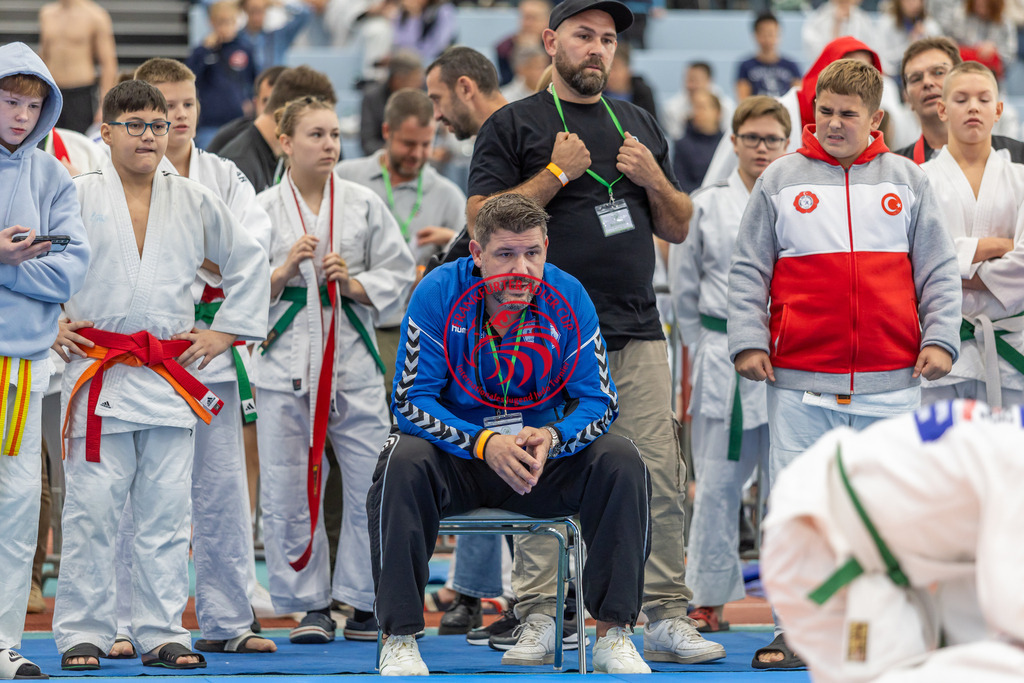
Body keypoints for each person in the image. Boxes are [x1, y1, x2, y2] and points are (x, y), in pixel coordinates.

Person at [467, 0, 725, 666]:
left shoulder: (637, 122)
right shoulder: (514, 123)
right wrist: (557, 174)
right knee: (535, 466)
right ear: (551, 41)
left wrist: (652, 178)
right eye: (584, 35)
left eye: (607, 40)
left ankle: (665, 613)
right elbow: (482, 222)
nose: (597, 49)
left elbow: (678, 224)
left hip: (636, 327)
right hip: (540, 336)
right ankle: (538, 615)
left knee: (658, 473)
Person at [727, 58, 962, 669]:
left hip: (892, 379)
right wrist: (748, 340)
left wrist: (941, 338)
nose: (833, 123)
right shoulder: (781, 178)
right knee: (799, 511)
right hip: (799, 381)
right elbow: (749, 269)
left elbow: (938, 270)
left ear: (875, 118)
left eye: (847, 114)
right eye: (824, 112)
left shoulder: (907, 179)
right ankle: (796, 630)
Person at [368, 192, 653, 675]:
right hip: (458, 461)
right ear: (477, 254)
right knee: (402, 458)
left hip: (537, 460)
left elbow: (599, 401)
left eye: (532, 253)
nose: (521, 269)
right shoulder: (438, 291)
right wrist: (483, 443)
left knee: (621, 459)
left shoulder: (569, 296)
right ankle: (399, 637)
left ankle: (613, 634)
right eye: (505, 254)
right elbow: (411, 401)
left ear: (546, 248)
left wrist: (554, 437)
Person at [51, 79, 269, 671]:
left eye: (157, 125)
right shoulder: (75, 194)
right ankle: (84, 632)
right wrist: (51, 324)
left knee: (167, 515)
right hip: (100, 371)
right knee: (93, 512)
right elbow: (36, 266)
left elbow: (249, 260)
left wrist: (226, 331)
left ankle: (162, 631)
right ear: (106, 131)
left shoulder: (193, 198)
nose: (148, 136)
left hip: (168, 376)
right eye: (134, 125)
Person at [112, 57, 275, 657]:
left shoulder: (224, 176)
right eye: (164, 107)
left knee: (222, 488)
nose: (176, 116)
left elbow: (251, 251)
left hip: (209, 357)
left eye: (186, 104)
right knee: (136, 493)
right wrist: (204, 257)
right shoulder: (115, 178)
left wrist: (226, 325)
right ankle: (125, 622)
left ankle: (228, 619)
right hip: (144, 356)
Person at [252, 96, 414, 645]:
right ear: (285, 142)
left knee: (373, 477)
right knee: (287, 483)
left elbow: (399, 270)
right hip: (283, 362)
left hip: (352, 359)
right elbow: (237, 285)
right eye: (316, 135)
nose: (329, 145)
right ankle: (311, 604)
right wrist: (283, 270)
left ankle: (365, 601)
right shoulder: (262, 208)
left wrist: (356, 282)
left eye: (335, 135)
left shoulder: (363, 203)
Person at [761, 399, 1024, 683]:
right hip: (816, 542)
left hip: (821, 519)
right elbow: (1013, 612)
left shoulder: (1006, 440)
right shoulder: (1013, 461)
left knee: (971, 644)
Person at [670, 95, 790, 636]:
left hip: (789, 359)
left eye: (773, 140)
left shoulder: (801, 198)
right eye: (753, 138)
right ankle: (706, 599)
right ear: (734, 142)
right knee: (718, 484)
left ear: (787, 144)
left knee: (786, 487)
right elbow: (684, 289)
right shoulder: (706, 204)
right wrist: (708, 348)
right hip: (723, 356)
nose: (762, 148)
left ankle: (793, 603)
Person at [0, 41, 90, 681]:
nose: (21, 116)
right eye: (10, 102)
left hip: (23, 366)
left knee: (15, 506)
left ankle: (3, 642)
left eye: (33, 106)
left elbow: (69, 269)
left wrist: (10, 267)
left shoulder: (53, 177)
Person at [336, 88, 465, 396]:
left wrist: (450, 243)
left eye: (426, 144)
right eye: (408, 143)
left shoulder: (447, 195)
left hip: (411, 324)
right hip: (347, 317)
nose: (418, 154)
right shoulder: (345, 178)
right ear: (386, 132)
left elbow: (470, 266)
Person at [919, 61, 1024, 409]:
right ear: (942, 109)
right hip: (939, 347)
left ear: (998, 110)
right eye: (961, 99)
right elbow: (914, 258)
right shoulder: (918, 179)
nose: (973, 107)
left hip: (1011, 353)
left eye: (983, 99)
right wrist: (996, 246)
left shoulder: (1021, 179)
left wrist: (948, 269)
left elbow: (933, 261)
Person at [893, 36, 1024, 163]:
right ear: (907, 97)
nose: (927, 82)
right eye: (915, 79)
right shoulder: (897, 168)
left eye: (938, 72)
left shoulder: (1017, 156)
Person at [219, 65, 337, 193]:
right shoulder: (240, 166)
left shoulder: (274, 154)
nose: (329, 145)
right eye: (317, 133)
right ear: (290, 111)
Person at [187, 1, 259, 150]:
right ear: (212, 23)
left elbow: (255, 80)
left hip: (238, 122)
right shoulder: (202, 50)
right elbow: (189, 79)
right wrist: (205, 50)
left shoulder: (244, 48)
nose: (226, 27)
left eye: (230, 21)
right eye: (221, 22)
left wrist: (250, 101)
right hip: (209, 123)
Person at [38, 0, 118, 133]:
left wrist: (104, 104)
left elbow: (108, 63)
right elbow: (43, 56)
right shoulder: (47, 13)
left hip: (80, 94)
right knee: (50, 141)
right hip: (51, 91)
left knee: (77, 142)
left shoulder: (96, 16)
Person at [208, 65, 287, 155]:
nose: (273, 110)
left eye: (281, 103)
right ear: (255, 104)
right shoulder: (229, 138)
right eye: (267, 102)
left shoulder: (299, 142)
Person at [359, 50, 424, 156]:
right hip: (382, 160)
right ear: (398, 79)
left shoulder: (423, 97)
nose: (419, 85)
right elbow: (368, 143)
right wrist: (399, 152)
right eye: (414, 80)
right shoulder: (372, 98)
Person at [662, 62, 735, 145]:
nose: (691, 85)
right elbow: (676, 138)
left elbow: (728, 138)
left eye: (696, 80)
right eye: (688, 80)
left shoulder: (726, 106)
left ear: (709, 81)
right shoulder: (672, 108)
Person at [736, 12, 801, 100]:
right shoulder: (746, 66)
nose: (768, 39)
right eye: (763, 34)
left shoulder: (791, 66)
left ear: (778, 34)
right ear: (756, 35)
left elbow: (798, 96)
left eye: (771, 34)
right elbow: (743, 100)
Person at [240, 0, 314, 74]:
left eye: (261, 10)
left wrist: (279, 4)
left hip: (276, 80)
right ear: (245, 9)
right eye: (252, 11)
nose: (257, 16)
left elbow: (305, 14)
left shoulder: (278, 37)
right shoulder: (237, 38)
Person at [949, 0, 1017, 80]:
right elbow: (952, 41)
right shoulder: (962, 15)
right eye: (978, 5)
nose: (981, 10)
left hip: (991, 75)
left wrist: (995, 49)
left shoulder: (1005, 23)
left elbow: (1010, 54)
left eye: (986, 6)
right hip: (962, 70)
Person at [671, 90, 723, 194]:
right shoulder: (682, 145)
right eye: (695, 107)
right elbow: (680, 184)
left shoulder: (728, 143)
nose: (697, 112)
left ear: (717, 113)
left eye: (702, 107)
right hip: (694, 199)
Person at [874, 0, 942, 79]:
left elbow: (940, 51)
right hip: (895, 75)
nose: (915, 4)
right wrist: (909, 44)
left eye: (918, 1)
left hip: (924, 71)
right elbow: (883, 58)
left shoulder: (929, 24)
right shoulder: (887, 23)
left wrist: (927, 36)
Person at [801, 0, 876, 66]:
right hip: (826, 71)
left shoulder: (863, 20)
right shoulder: (818, 19)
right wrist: (837, 25)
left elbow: (873, 48)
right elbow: (815, 51)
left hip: (859, 70)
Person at [495, 0, 552, 86]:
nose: (528, 24)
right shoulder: (505, 47)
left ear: (547, 20)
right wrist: (519, 53)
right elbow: (507, 81)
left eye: (533, 18)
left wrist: (536, 49)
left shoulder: (556, 46)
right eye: (525, 18)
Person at [603, 43, 658, 121]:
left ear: (628, 69)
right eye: (606, 68)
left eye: (614, 68)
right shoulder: (597, 94)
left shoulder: (643, 92)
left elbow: (652, 124)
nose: (610, 75)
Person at [391, 0, 457, 64]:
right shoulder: (405, 11)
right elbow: (398, 40)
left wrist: (416, 56)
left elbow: (438, 45)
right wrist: (413, 16)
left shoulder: (443, 10)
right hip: (404, 59)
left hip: (430, 60)